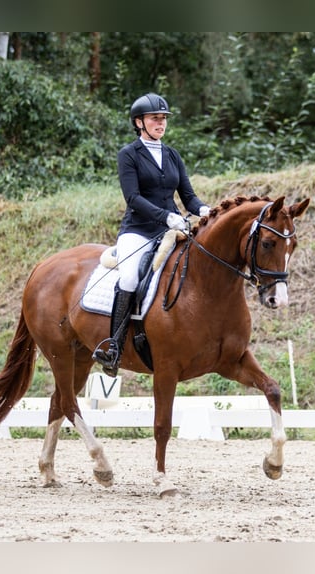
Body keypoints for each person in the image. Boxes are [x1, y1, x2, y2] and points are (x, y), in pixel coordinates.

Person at [92, 93, 210, 376]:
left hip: (172, 230)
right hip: (139, 230)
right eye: (155, 118)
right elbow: (133, 198)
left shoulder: (172, 155)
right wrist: (166, 216)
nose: (161, 123)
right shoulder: (128, 154)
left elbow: (188, 196)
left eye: (164, 118)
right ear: (139, 122)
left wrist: (205, 210)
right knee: (130, 276)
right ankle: (114, 346)